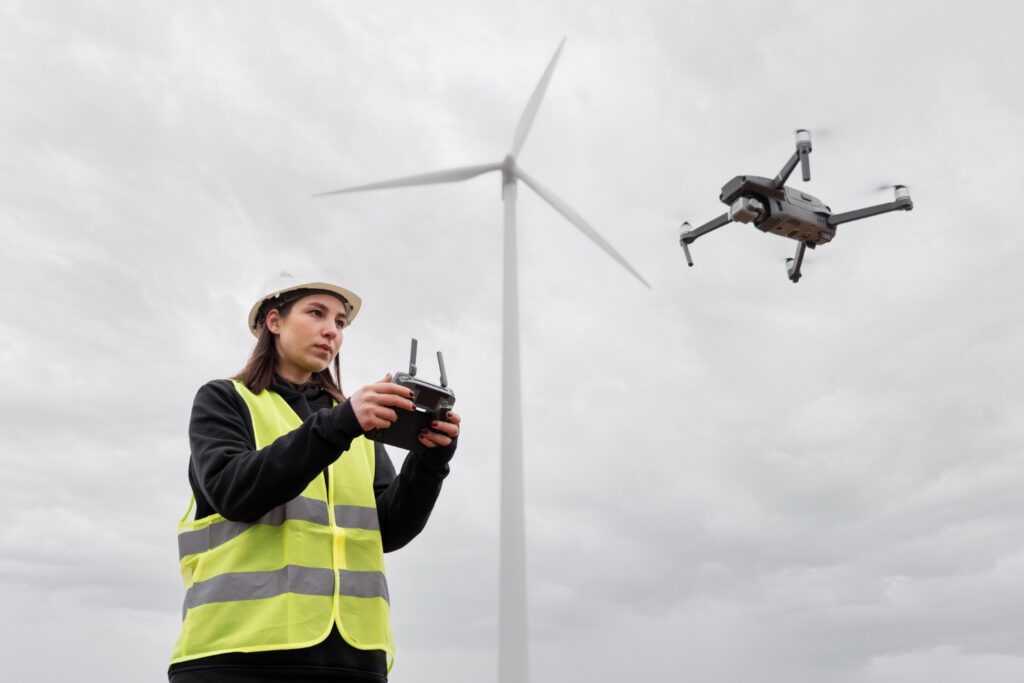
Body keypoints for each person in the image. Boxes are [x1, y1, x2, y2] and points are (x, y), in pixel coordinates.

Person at [168, 266, 461, 682]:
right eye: (316, 314)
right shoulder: (224, 400)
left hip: (354, 659)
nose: (332, 331)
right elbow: (234, 493)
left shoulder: (355, 423)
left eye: (340, 322)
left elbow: (390, 530)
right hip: (238, 657)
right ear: (274, 321)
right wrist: (341, 423)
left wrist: (431, 462)